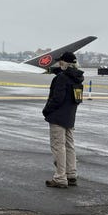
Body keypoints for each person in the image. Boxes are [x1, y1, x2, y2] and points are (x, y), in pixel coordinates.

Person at [43, 51, 84, 188]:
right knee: (69, 146)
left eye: (61, 61)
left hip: (58, 117)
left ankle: (60, 177)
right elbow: (77, 100)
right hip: (70, 116)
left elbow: (57, 98)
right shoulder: (78, 78)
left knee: (58, 147)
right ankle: (71, 174)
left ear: (65, 63)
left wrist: (47, 110)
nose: (59, 63)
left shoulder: (62, 78)